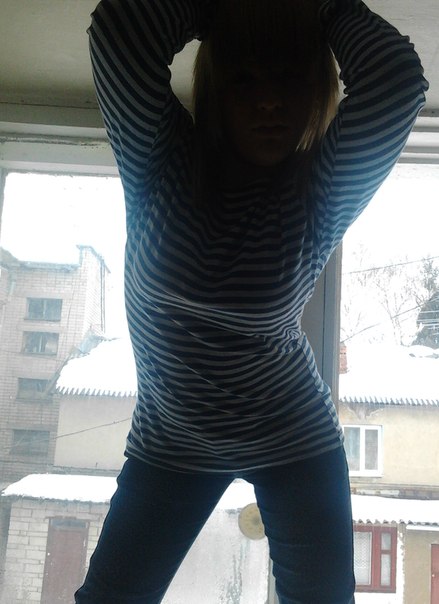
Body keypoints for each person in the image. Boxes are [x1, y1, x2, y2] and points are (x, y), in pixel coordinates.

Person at [75, 0, 428, 602]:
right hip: (170, 441)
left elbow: (396, 83)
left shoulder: (317, 192)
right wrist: (226, 11)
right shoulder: (159, 157)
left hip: (294, 437)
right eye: (244, 79)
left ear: (314, 93)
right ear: (216, 90)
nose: (269, 100)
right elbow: (119, 31)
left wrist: (320, 9)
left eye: (289, 79)